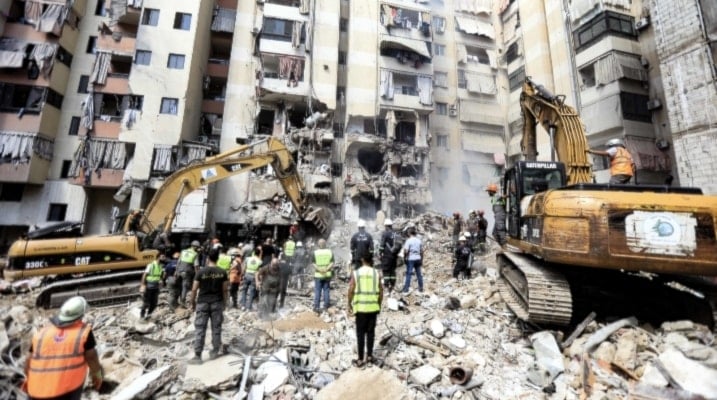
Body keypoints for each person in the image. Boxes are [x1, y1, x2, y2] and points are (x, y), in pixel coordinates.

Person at [24, 296, 104, 400]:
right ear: (80, 315)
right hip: (65, 392)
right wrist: (97, 375)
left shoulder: (42, 333)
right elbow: (92, 357)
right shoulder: (83, 332)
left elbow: (28, 360)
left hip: (35, 391)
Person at [188, 248, 228, 364]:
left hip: (202, 303)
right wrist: (225, 303)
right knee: (216, 328)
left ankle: (198, 356)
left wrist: (192, 303)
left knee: (200, 329)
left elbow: (194, 289)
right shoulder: (222, 272)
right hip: (217, 303)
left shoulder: (200, 272)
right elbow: (225, 290)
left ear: (207, 258)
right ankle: (215, 352)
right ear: (218, 258)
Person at [347, 254, 383, 368]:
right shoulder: (376, 273)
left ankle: (360, 359)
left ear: (362, 259)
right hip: (373, 308)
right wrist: (379, 304)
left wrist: (349, 303)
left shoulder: (356, 273)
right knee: (371, 333)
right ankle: (370, 356)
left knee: (360, 334)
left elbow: (351, 288)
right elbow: (381, 291)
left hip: (361, 309)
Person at [172, 240, 201, 308]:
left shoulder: (183, 251)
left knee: (178, 286)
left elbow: (179, 262)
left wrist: (176, 271)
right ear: (195, 247)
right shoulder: (195, 254)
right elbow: (196, 266)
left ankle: (175, 301)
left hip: (179, 271)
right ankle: (182, 301)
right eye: (197, 247)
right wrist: (198, 275)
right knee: (185, 287)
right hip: (187, 272)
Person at [140, 253, 166, 320]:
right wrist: (143, 285)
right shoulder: (151, 265)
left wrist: (162, 280)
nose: (164, 258)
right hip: (149, 286)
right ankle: (142, 316)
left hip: (156, 287)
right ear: (158, 257)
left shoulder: (160, 266)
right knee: (146, 303)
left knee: (154, 303)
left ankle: (148, 316)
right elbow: (144, 275)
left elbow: (161, 276)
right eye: (162, 256)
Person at [378, 219, 401, 294]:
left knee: (386, 271)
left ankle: (387, 287)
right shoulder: (395, 233)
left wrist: (380, 253)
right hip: (394, 255)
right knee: (392, 270)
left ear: (386, 226)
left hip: (387, 255)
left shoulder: (385, 233)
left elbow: (382, 245)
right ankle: (393, 286)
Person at [312, 238, 334, 313]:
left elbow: (313, 263)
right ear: (325, 244)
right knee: (326, 290)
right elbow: (332, 263)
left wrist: (319, 269)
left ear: (318, 244)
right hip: (327, 274)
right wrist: (326, 269)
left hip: (318, 274)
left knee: (317, 290)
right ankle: (326, 306)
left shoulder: (315, 252)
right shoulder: (330, 252)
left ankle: (316, 307)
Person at [400, 227, 424, 293]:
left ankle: (406, 289)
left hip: (411, 259)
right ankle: (421, 288)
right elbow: (422, 251)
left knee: (408, 274)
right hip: (418, 258)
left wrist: (405, 258)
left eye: (408, 233)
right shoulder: (419, 241)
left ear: (409, 233)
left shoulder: (408, 241)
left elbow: (406, 251)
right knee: (419, 274)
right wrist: (421, 259)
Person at [239, 246, 263, 311]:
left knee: (244, 291)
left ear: (254, 253)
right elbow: (259, 271)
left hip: (246, 275)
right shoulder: (260, 261)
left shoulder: (247, 259)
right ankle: (249, 307)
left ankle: (243, 306)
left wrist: (242, 275)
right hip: (254, 277)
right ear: (259, 254)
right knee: (252, 292)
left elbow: (244, 267)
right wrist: (260, 280)